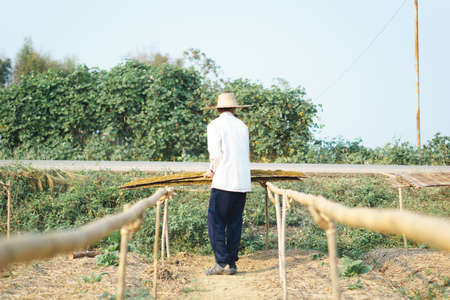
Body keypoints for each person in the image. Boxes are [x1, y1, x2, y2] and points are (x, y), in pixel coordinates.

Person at [202, 92, 252, 275]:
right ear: (234, 108)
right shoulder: (242, 126)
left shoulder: (214, 125)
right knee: (234, 224)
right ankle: (231, 262)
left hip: (223, 180)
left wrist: (212, 170)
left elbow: (215, 153)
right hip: (242, 182)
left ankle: (222, 263)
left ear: (218, 109)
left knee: (215, 222)